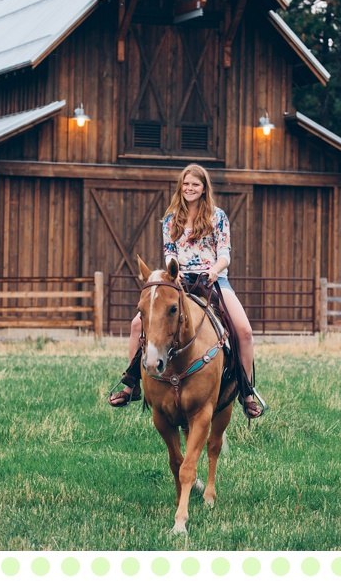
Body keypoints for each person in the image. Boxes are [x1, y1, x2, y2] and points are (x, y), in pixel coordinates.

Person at [108, 163, 266, 419]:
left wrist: (215, 270)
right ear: (180, 187)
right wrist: (175, 272)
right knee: (138, 324)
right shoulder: (171, 218)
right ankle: (131, 384)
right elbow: (170, 252)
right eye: (186, 184)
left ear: (204, 189)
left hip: (213, 280)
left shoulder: (218, 216)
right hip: (178, 280)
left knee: (245, 331)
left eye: (195, 184)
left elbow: (225, 254)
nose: (190, 188)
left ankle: (247, 392)